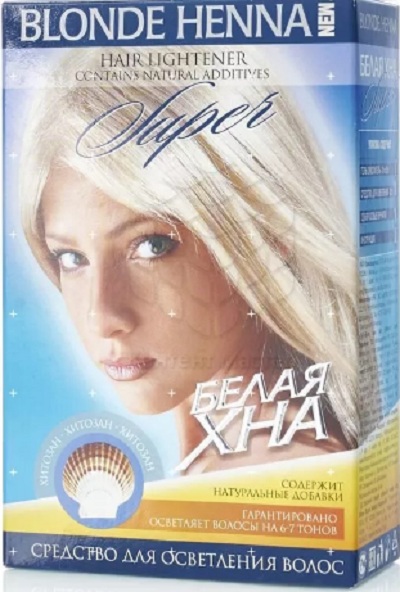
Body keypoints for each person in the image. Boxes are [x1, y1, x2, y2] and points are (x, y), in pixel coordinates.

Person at [19, 46, 376, 475]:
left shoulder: (264, 467)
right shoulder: (245, 454)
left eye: (152, 246)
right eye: (71, 257)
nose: (102, 318)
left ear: (269, 231)